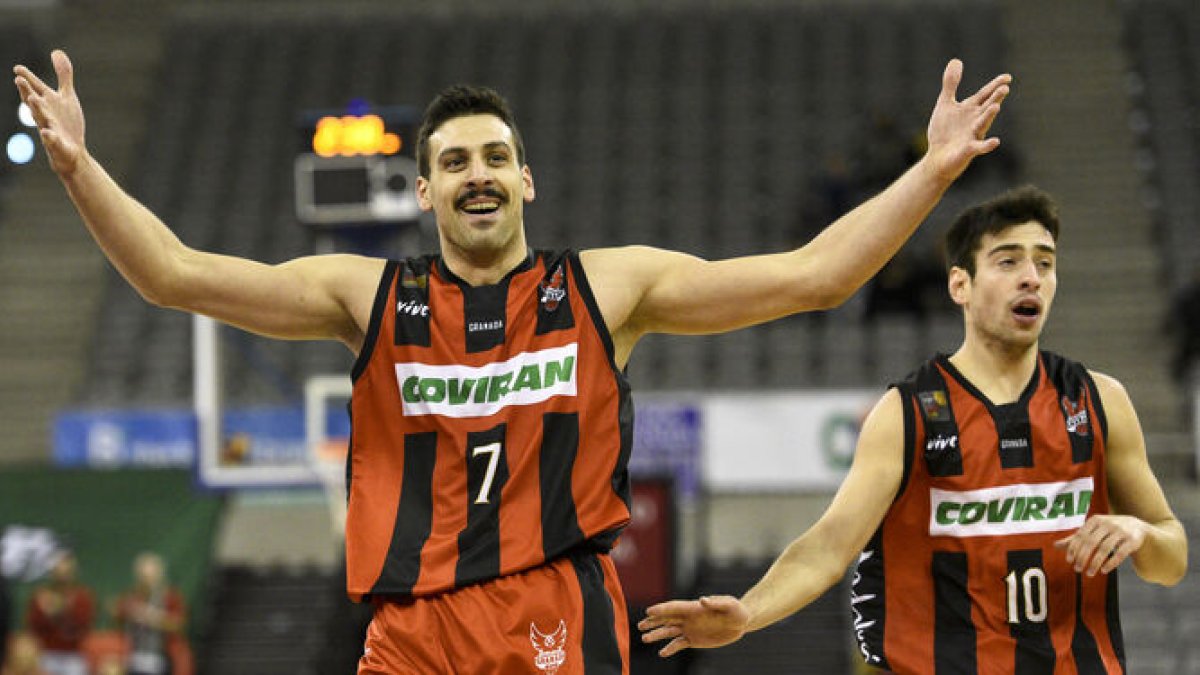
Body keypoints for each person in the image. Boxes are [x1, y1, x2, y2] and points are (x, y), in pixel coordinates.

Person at [14, 49, 1010, 673]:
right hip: (409, 630)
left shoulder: (608, 289)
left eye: (493, 156)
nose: (477, 174)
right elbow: (174, 275)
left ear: (526, 177)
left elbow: (813, 278)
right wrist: (77, 166)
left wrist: (931, 170)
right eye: (453, 162)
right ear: (424, 192)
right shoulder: (363, 299)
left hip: (554, 615)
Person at [639, 185, 1189, 673]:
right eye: (1007, 261)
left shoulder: (1101, 400)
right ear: (960, 285)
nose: (1031, 277)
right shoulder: (910, 412)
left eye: (1045, 263)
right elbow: (829, 548)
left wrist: (1140, 534)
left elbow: (1172, 558)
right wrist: (750, 612)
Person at [111, 553, 186, 675]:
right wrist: (124, 611)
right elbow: (117, 616)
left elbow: (177, 624)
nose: (147, 579)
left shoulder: (170, 597)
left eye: (151, 575)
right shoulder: (131, 596)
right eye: (144, 575)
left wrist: (151, 618)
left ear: (159, 575)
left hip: (159, 656)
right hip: (133, 655)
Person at [23, 552, 92, 675]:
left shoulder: (81, 596)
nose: (63, 573)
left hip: (73, 655)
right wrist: (45, 613)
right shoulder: (41, 594)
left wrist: (62, 611)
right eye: (58, 569)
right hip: (46, 653)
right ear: (52, 572)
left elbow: (82, 627)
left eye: (66, 569)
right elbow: (32, 626)